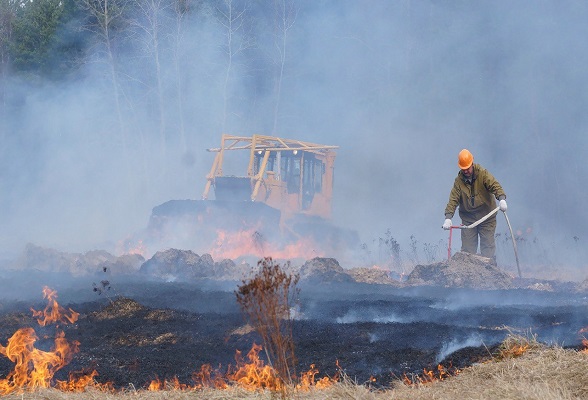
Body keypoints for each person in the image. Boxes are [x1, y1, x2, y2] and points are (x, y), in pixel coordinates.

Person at [442, 149, 507, 260]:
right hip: (469, 220)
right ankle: (468, 276)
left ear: (472, 163)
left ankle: (490, 274)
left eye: (467, 168)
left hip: (487, 218)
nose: (466, 171)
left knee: (488, 249)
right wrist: (448, 217)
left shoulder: (483, 174)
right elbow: (453, 199)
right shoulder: (458, 182)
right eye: (463, 169)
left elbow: (495, 185)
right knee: (467, 252)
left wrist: (501, 199)